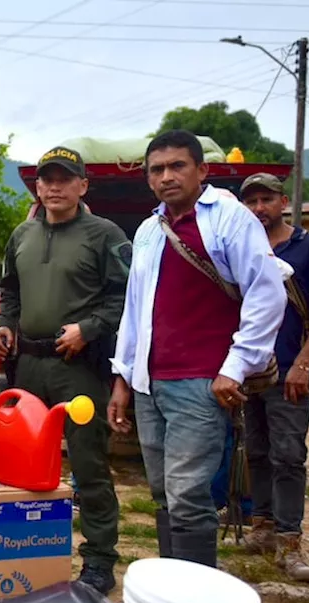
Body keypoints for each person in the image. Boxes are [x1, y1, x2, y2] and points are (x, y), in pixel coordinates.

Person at [108, 130, 286, 568]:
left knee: (187, 494)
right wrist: (123, 378)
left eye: (177, 166)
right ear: (148, 178)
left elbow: (267, 294)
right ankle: (172, 595)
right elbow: (135, 309)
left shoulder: (228, 218)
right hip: (150, 382)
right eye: (157, 169)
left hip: (201, 381)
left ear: (201, 170)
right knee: (163, 492)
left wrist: (235, 368)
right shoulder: (150, 229)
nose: (167, 176)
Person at [0, 146, 130, 595]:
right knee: (22, 460)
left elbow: (126, 296)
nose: (53, 186)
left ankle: (99, 558)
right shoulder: (22, 235)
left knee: (88, 464)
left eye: (64, 178)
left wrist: (89, 329)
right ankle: (23, 549)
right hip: (27, 366)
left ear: (82, 186)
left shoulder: (104, 235)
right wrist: (4, 325)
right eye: (45, 178)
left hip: (78, 370)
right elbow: (8, 291)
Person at [239, 172, 309, 583]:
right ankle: (261, 528)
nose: (259, 208)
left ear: (283, 201)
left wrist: (302, 363)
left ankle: (290, 542)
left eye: (266, 199)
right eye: (251, 202)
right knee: (256, 452)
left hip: (289, 373)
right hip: (250, 371)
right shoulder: (244, 249)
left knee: (288, 456)